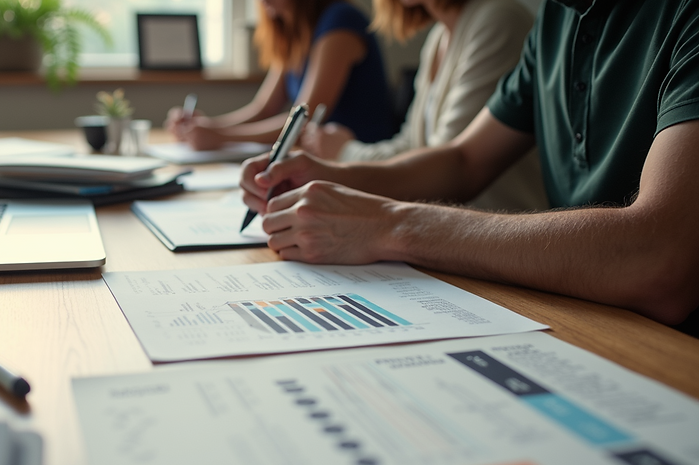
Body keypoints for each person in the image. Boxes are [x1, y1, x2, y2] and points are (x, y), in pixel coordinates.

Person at [240, 0, 699, 327]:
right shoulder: (555, 19)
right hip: (579, 313)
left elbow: (660, 261)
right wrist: (330, 176)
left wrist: (390, 225)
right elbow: (463, 159)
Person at [302, 0, 548, 212]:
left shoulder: (499, 20)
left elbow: (445, 168)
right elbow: (411, 145)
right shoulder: (438, 38)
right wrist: (342, 151)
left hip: (496, 236)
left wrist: (346, 152)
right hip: (447, 230)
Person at [165, 0, 395, 151]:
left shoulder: (341, 21)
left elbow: (301, 121)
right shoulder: (292, 32)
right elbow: (263, 109)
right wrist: (205, 125)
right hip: (320, 159)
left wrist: (221, 136)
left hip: (355, 159)